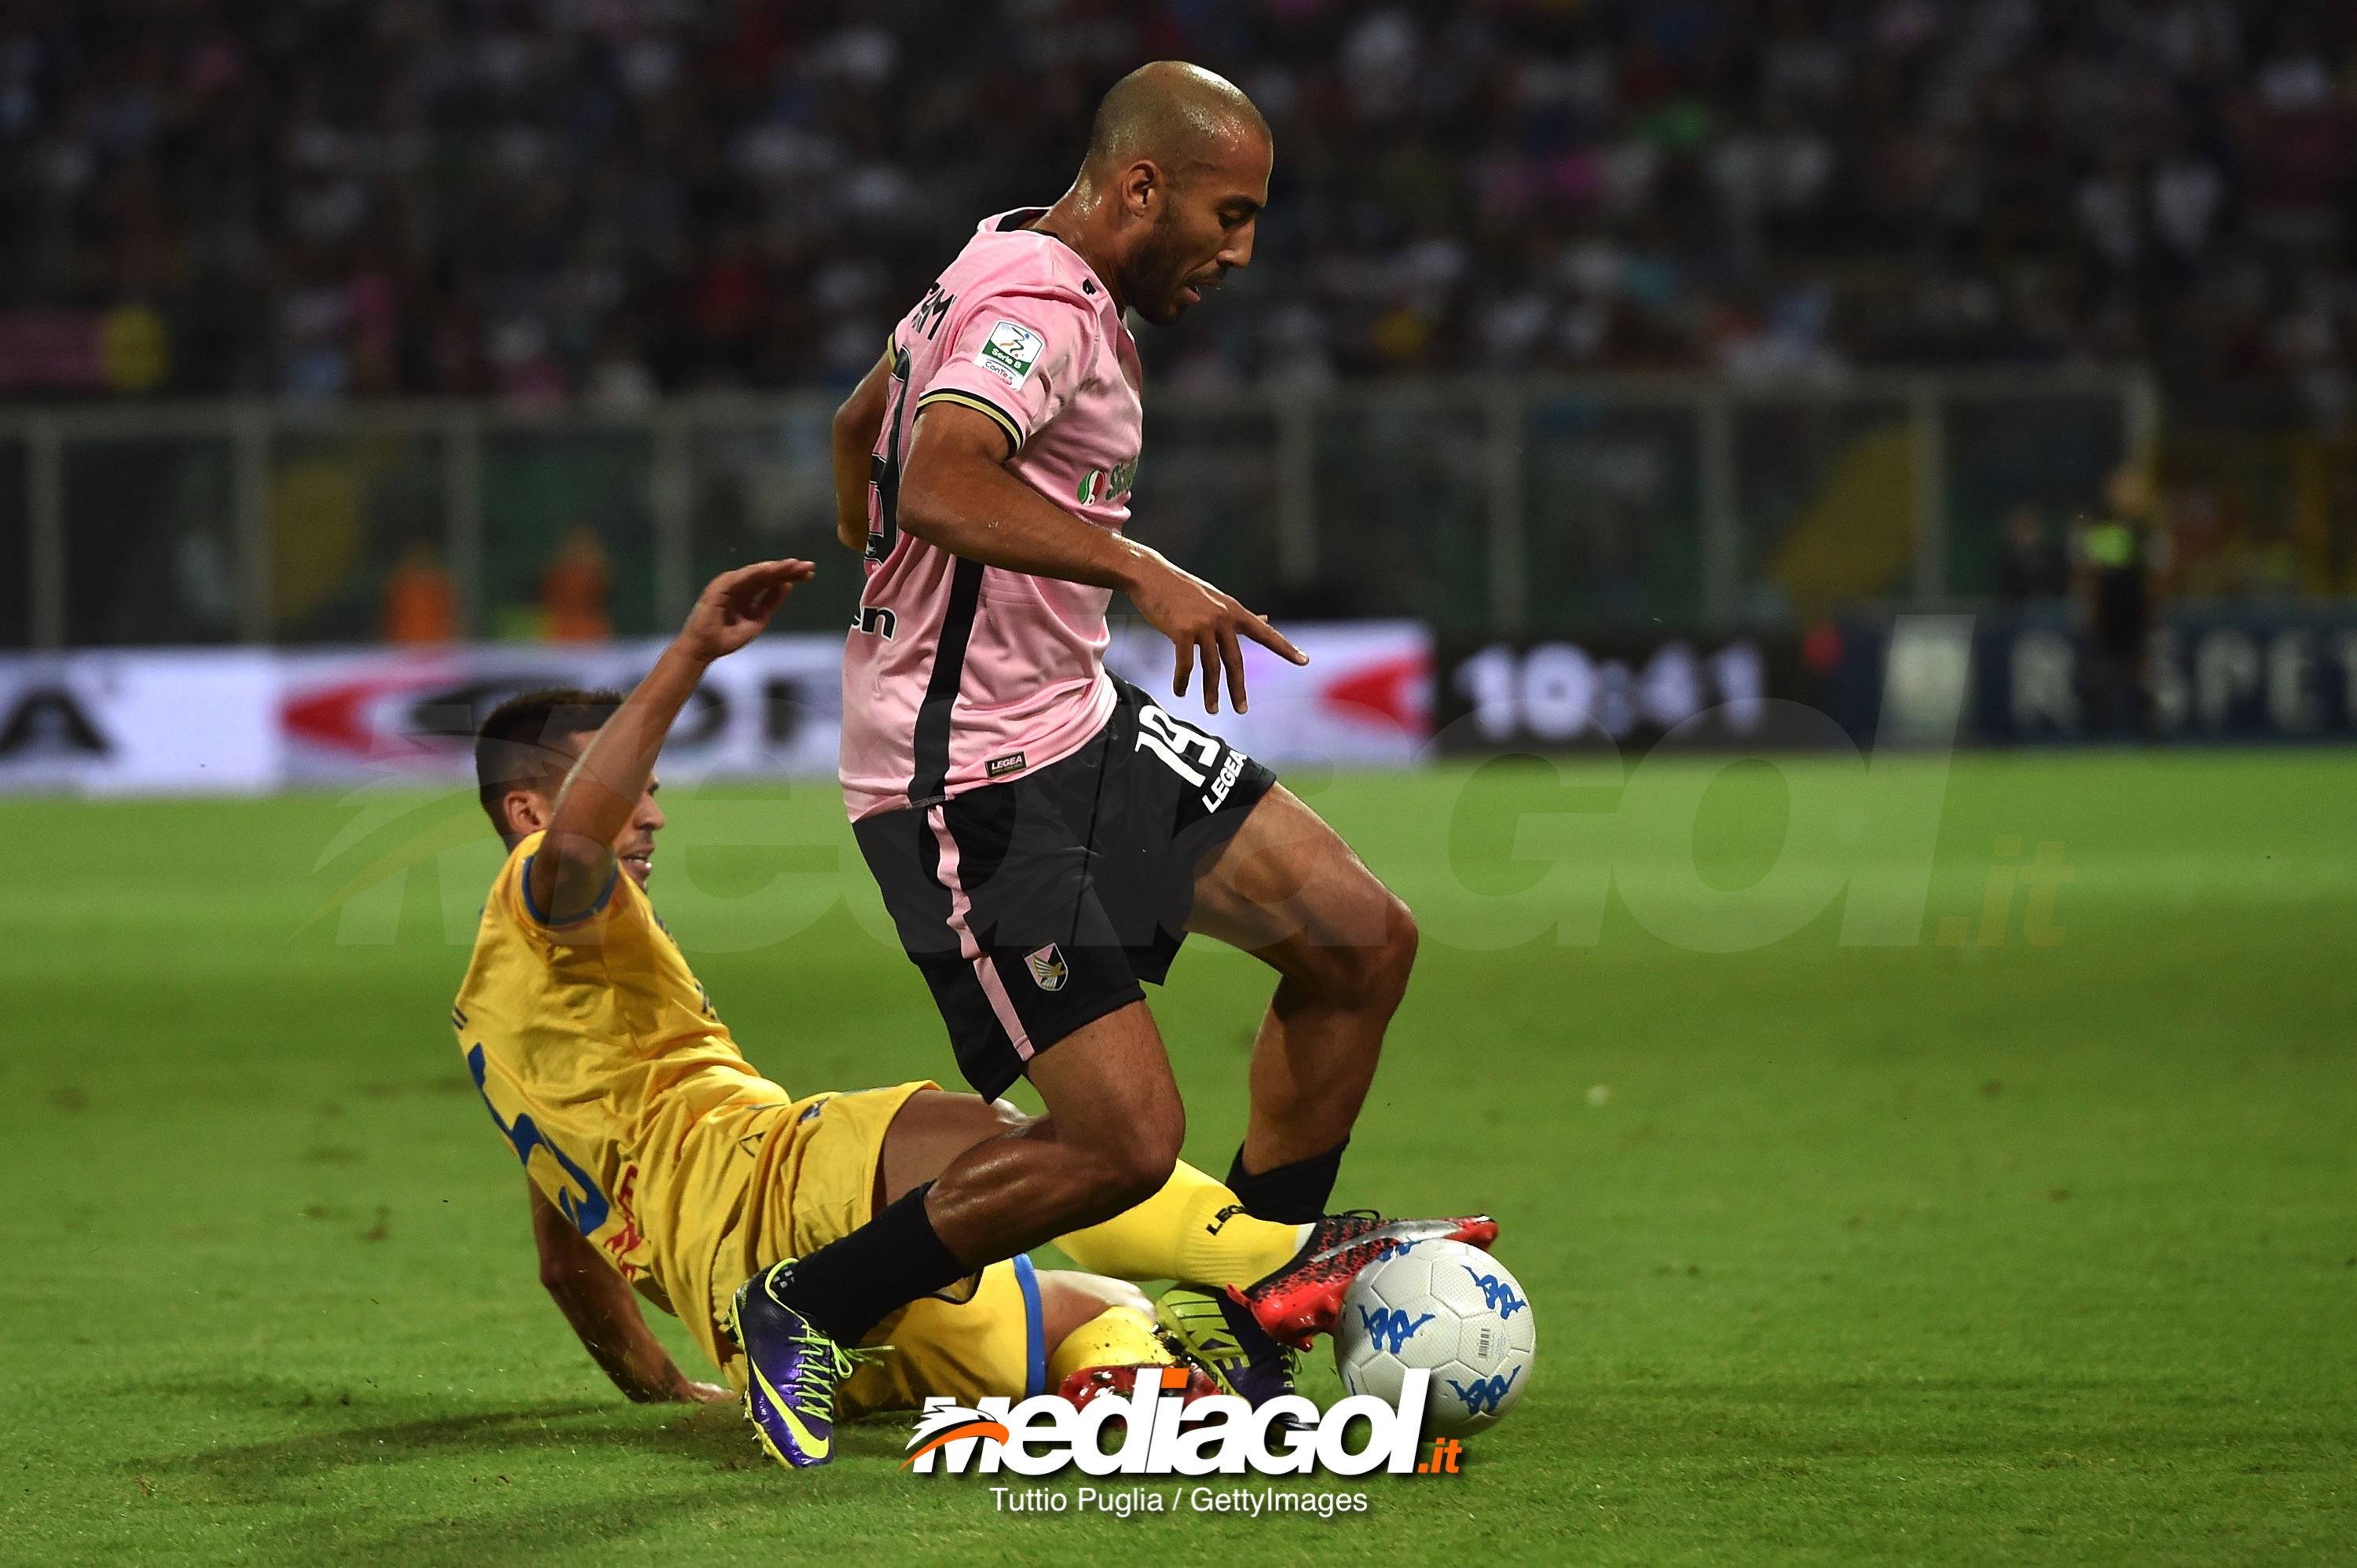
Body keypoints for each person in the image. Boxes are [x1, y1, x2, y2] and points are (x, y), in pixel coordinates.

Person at [731, 62, 1479, 1462]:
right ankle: (804, 1305)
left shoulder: (993, 255)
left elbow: (863, 435)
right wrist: (1142, 572)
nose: (1241, 251)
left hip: (1077, 721)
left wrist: (864, 539)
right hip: (966, 779)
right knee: (1123, 1145)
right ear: (1144, 186)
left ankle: (1243, 1305)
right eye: (1231, 213)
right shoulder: (1033, 304)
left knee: (1359, 939)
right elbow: (943, 479)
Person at [459, 560, 1488, 1467]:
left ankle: (1169, 1381)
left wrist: (669, 1390)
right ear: (529, 813)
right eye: (626, 783)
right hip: (776, 1183)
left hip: (741, 1318)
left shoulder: (508, 1032)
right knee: (1036, 1138)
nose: (652, 810)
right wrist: (689, 655)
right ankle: (1258, 1252)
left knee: (1094, 1311)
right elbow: (580, 847)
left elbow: (566, 1259)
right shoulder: (545, 893)